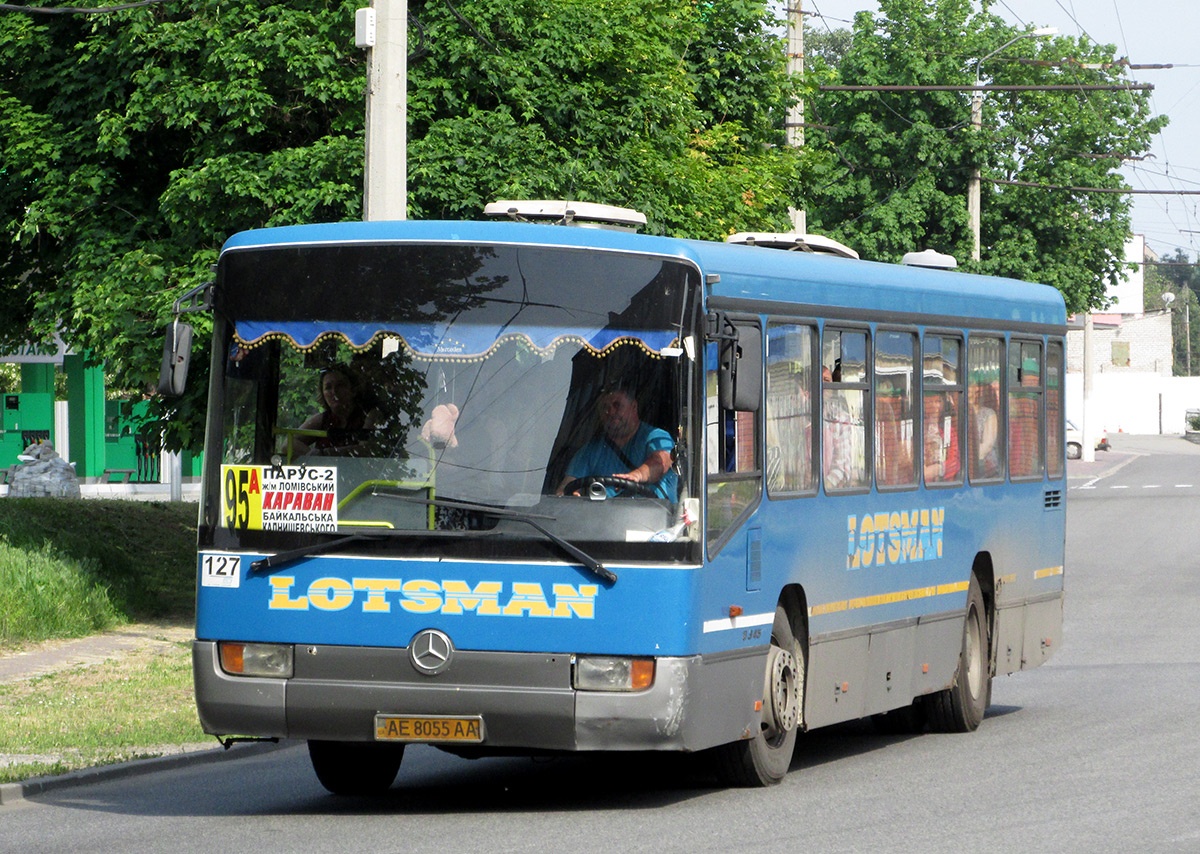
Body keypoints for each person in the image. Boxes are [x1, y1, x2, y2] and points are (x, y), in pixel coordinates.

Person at [557, 384, 677, 500]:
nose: (611, 412)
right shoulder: (591, 450)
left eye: (617, 405)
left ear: (634, 406)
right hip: (605, 518)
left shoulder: (656, 437)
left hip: (656, 516)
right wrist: (568, 497)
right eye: (605, 408)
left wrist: (638, 475)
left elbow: (661, 463)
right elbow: (567, 485)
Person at [292, 365, 376, 456]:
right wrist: (313, 457)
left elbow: (366, 450)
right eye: (328, 387)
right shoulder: (323, 419)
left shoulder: (369, 416)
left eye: (340, 385)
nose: (334, 391)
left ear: (353, 390)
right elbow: (289, 443)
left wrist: (324, 454)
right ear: (322, 394)